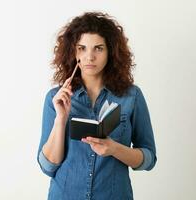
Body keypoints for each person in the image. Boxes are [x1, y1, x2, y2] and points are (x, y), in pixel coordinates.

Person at [37, 12, 157, 200]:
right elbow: (48, 166)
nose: (89, 56)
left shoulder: (131, 96)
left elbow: (149, 159)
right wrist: (61, 119)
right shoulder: (55, 98)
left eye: (98, 48)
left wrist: (114, 149)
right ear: (73, 52)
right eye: (82, 48)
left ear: (111, 52)